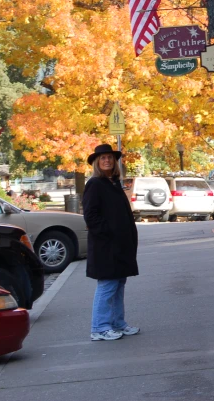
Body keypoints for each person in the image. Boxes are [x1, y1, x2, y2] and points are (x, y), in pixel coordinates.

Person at [83, 144, 140, 341]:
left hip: (120, 245)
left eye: (109, 158)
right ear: (97, 163)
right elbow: (90, 215)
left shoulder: (112, 183)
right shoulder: (95, 184)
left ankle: (117, 323)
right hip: (106, 246)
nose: (107, 161)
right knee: (107, 285)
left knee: (118, 284)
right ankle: (99, 328)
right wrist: (108, 233)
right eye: (102, 158)